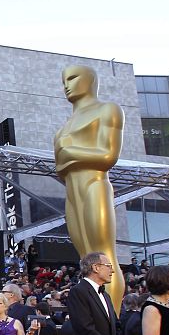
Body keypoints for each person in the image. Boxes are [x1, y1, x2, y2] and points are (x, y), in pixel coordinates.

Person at [54, 65, 125, 312]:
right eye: (64, 80)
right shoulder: (64, 128)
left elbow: (107, 155)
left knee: (103, 257)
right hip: (73, 192)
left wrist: (70, 151)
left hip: (95, 185)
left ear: (89, 80)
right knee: (87, 262)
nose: (67, 84)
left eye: (73, 78)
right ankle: (92, 324)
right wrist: (72, 155)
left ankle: (111, 325)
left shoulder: (107, 110)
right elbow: (60, 167)